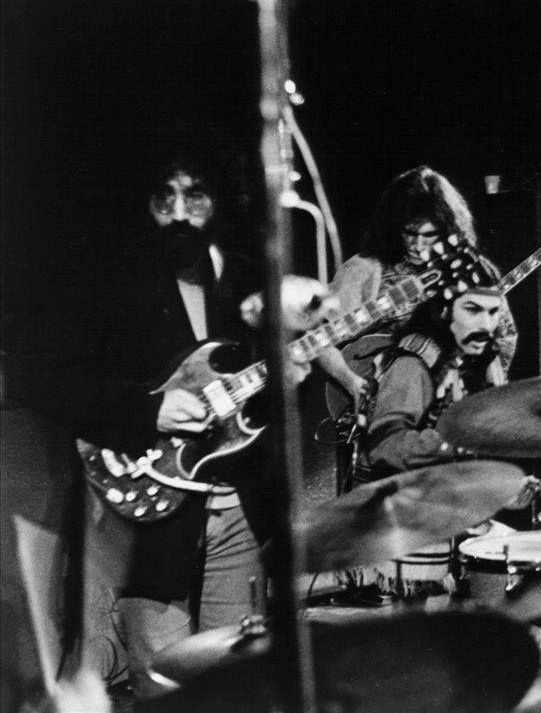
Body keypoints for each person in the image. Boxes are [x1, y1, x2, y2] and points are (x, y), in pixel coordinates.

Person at [12, 148, 334, 699]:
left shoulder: (251, 279)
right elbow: (35, 376)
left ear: (222, 201)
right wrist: (147, 411)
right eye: (164, 198)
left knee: (236, 687)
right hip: (150, 519)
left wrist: (292, 381)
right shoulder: (106, 282)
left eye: (195, 196)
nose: (179, 213)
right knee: (166, 691)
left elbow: (268, 403)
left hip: (239, 513)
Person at [317, 166, 517, 408]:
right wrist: (352, 383)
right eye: (409, 233)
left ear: (449, 230)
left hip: (451, 406)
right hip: (383, 404)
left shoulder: (472, 269)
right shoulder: (365, 269)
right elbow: (320, 341)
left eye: (429, 235)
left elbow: (503, 337)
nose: (418, 245)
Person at [360, 259, 509, 479]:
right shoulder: (412, 364)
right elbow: (386, 447)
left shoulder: (477, 359)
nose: (486, 325)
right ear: (445, 311)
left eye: (493, 312)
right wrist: (457, 444)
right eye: (472, 310)